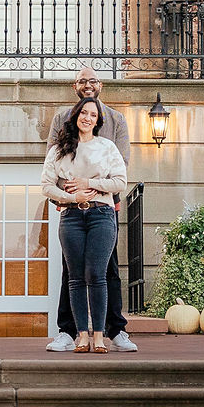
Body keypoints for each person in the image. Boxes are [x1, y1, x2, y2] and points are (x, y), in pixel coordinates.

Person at [46, 66, 135, 352]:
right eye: (82, 81)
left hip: (104, 206)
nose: (88, 85)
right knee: (71, 270)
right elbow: (54, 162)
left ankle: (115, 330)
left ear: (101, 85)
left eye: (93, 80)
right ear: (74, 87)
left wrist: (95, 187)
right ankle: (68, 330)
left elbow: (121, 164)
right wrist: (68, 195)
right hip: (72, 206)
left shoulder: (116, 120)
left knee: (108, 269)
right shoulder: (61, 118)